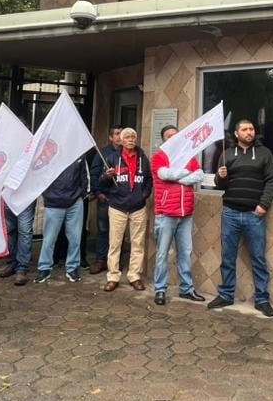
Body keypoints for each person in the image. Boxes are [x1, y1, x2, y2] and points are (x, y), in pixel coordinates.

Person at [207, 118, 273, 316]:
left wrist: (263, 205)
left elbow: (271, 180)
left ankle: (262, 299)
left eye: (251, 129)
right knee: (227, 257)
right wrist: (220, 176)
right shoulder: (227, 154)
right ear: (237, 134)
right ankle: (226, 295)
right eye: (245, 129)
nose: (249, 132)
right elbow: (221, 186)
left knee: (258, 258)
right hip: (230, 213)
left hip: (254, 215)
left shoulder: (264, 153)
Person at [151, 124, 205, 306]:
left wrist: (178, 177)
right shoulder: (159, 157)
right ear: (164, 140)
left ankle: (186, 289)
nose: (173, 138)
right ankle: (160, 289)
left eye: (176, 135)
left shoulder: (188, 156)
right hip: (166, 213)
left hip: (186, 213)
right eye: (169, 136)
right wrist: (184, 174)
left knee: (186, 253)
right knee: (162, 254)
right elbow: (164, 174)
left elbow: (199, 176)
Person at [100, 127, 152, 292]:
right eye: (127, 137)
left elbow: (149, 180)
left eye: (133, 137)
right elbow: (102, 183)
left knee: (138, 243)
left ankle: (134, 276)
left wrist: (143, 195)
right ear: (121, 141)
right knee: (115, 244)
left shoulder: (143, 158)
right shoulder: (111, 158)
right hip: (117, 207)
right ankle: (113, 277)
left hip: (138, 207)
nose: (130, 139)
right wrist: (106, 177)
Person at [35, 151, 92, 284]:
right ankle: (44, 268)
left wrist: (80, 196)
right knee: (49, 239)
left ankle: (72, 268)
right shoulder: (49, 153)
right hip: (54, 203)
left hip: (75, 204)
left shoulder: (79, 154)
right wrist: (48, 196)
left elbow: (85, 177)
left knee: (75, 238)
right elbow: (41, 176)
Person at [87, 125, 123, 275]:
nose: (120, 136)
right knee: (103, 230)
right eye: (116, 134)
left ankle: (114, 262)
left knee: (119, 232)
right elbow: (94, 175)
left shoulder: (127, 152)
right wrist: (98, 192)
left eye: (122, 133)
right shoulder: (103, 153)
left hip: (121, 199)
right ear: (110, 137)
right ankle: (100, 260)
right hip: (106, 197)